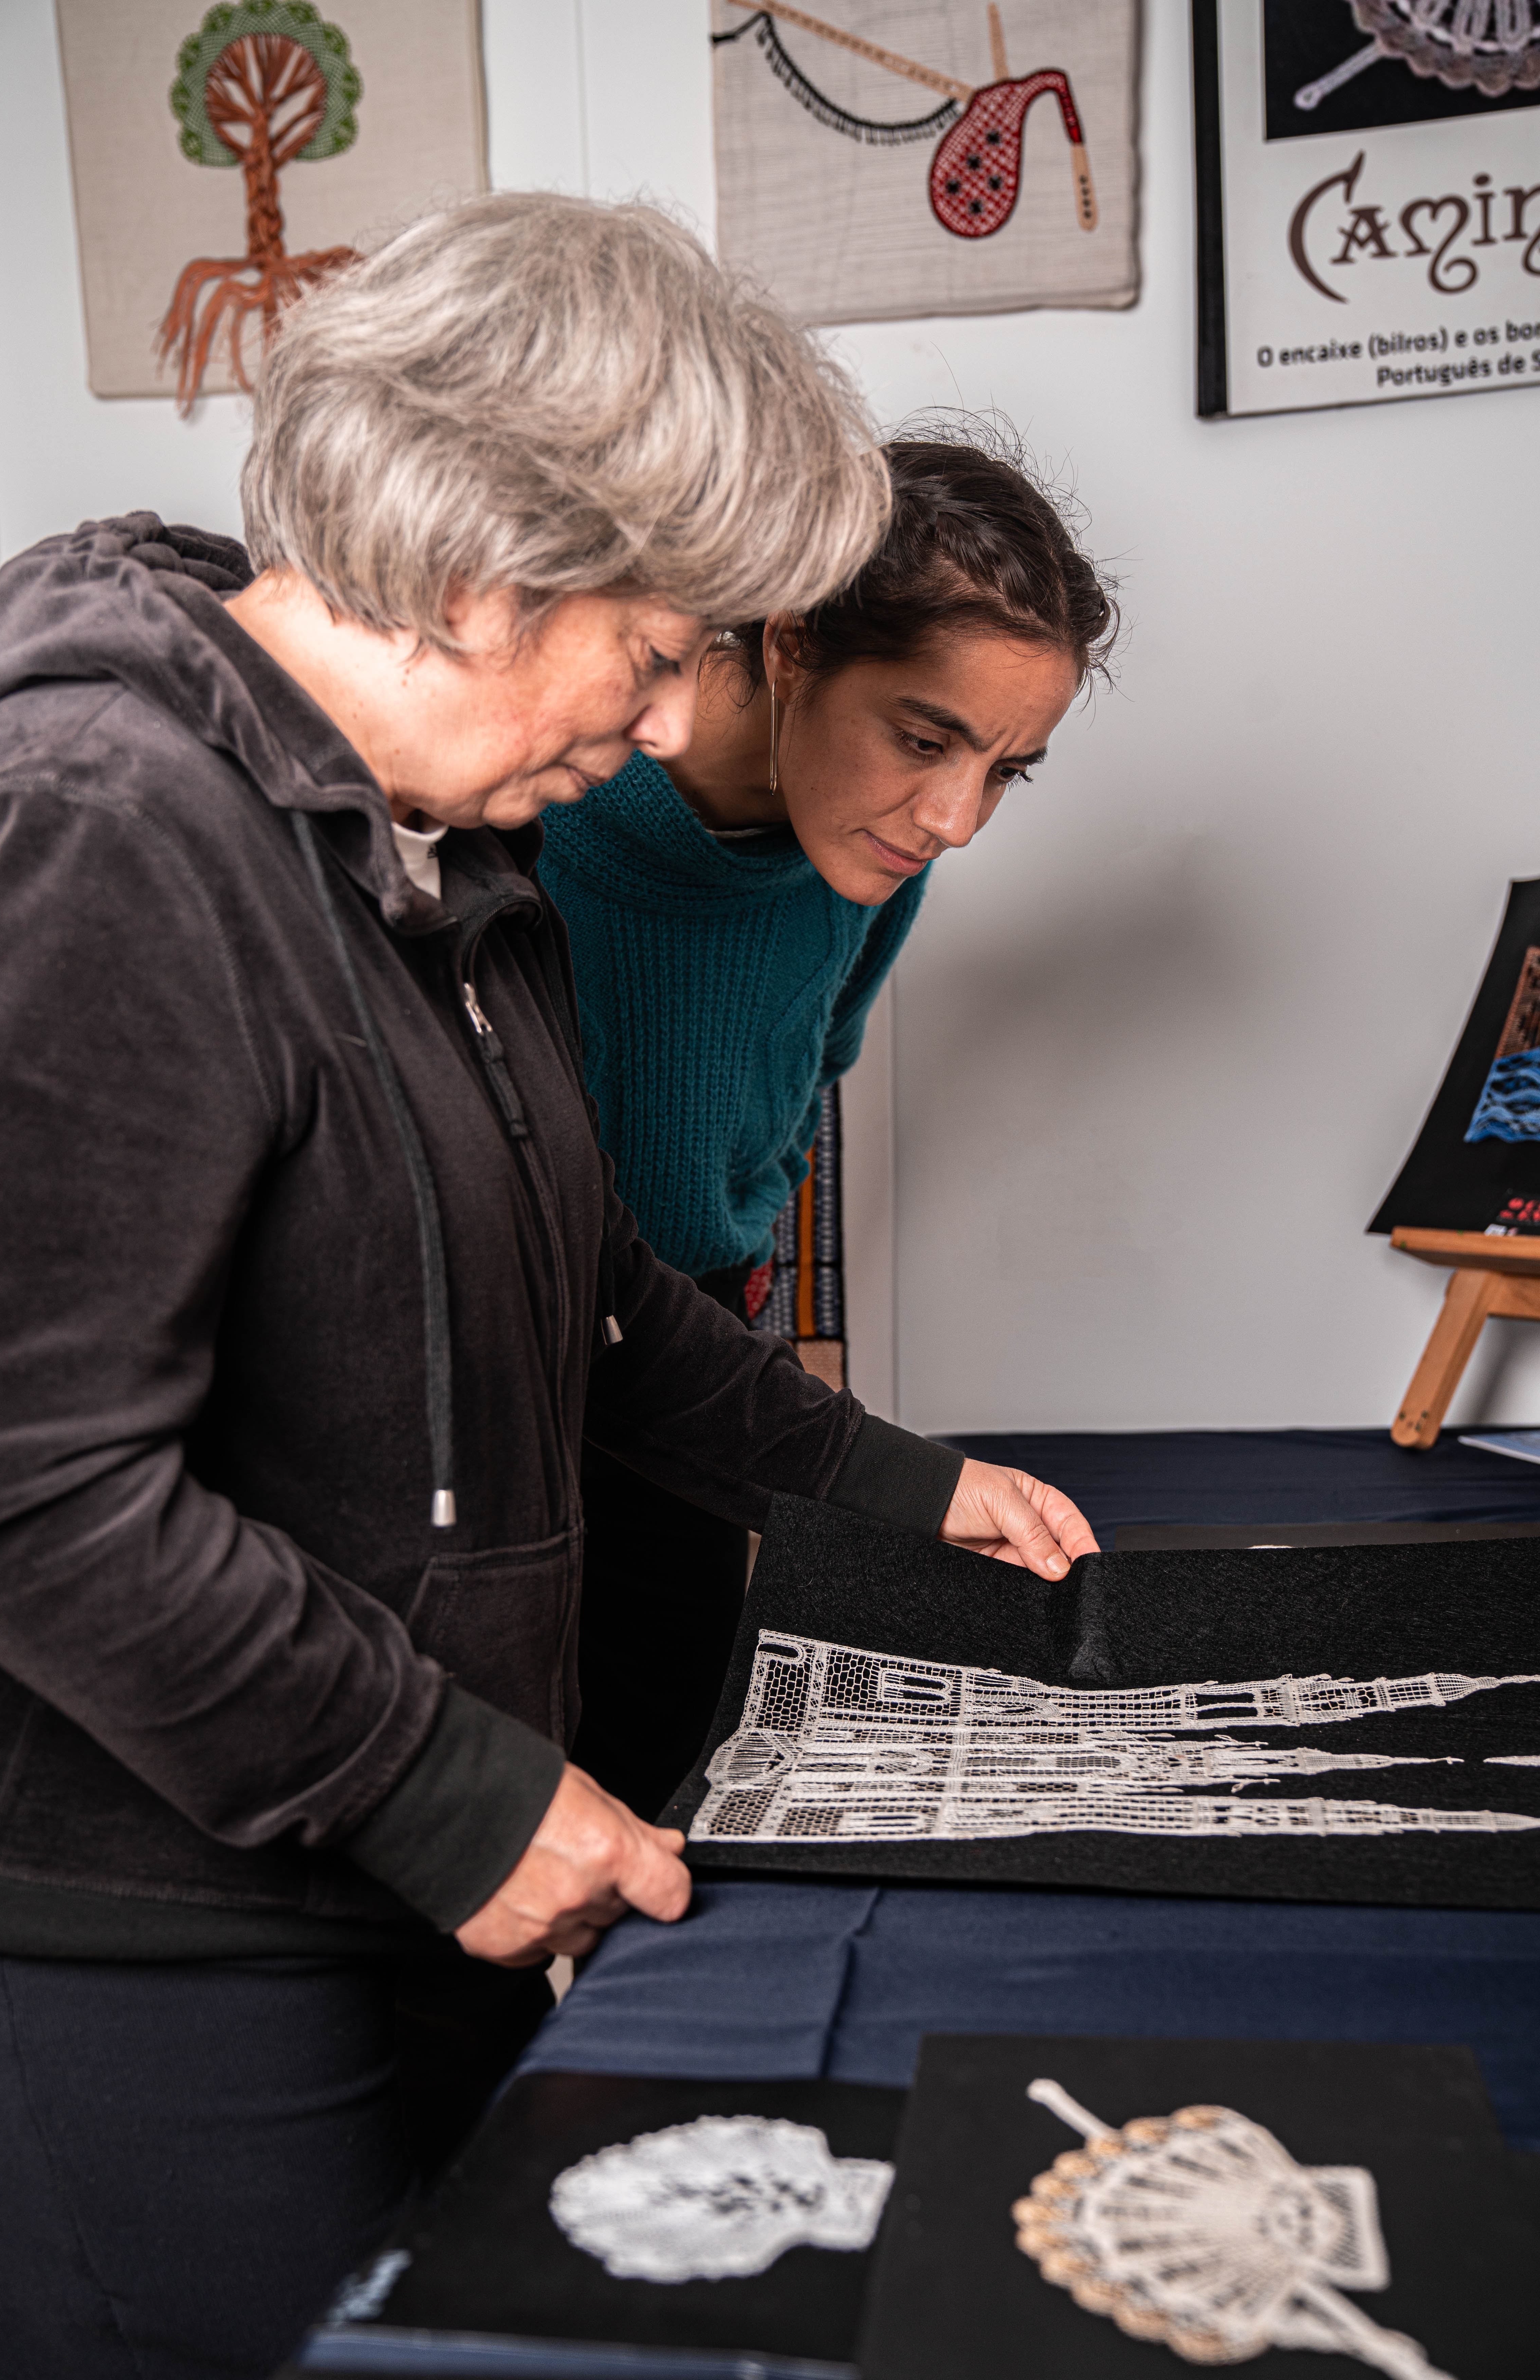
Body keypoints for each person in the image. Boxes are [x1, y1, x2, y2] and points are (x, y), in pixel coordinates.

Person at [0, 197, 1098, 2380]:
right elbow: (14, 1480)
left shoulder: (454, 863)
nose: (676, 732)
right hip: (132, 1920)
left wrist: (885, 1477)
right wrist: (450, 1791)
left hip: (361, 1861)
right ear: (489, 565)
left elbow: (596, 1310)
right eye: (661, 653)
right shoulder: (100, 819)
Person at [541, 435, 1118, 1820]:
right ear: (791, 643)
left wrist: (769, 1346)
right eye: (925, 740)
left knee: (665, 1755)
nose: (956, 819)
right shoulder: (546, 802)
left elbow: (797, 1104)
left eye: (1004, 770)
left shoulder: (875, 858)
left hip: (700, 1360)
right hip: (519, 1354)